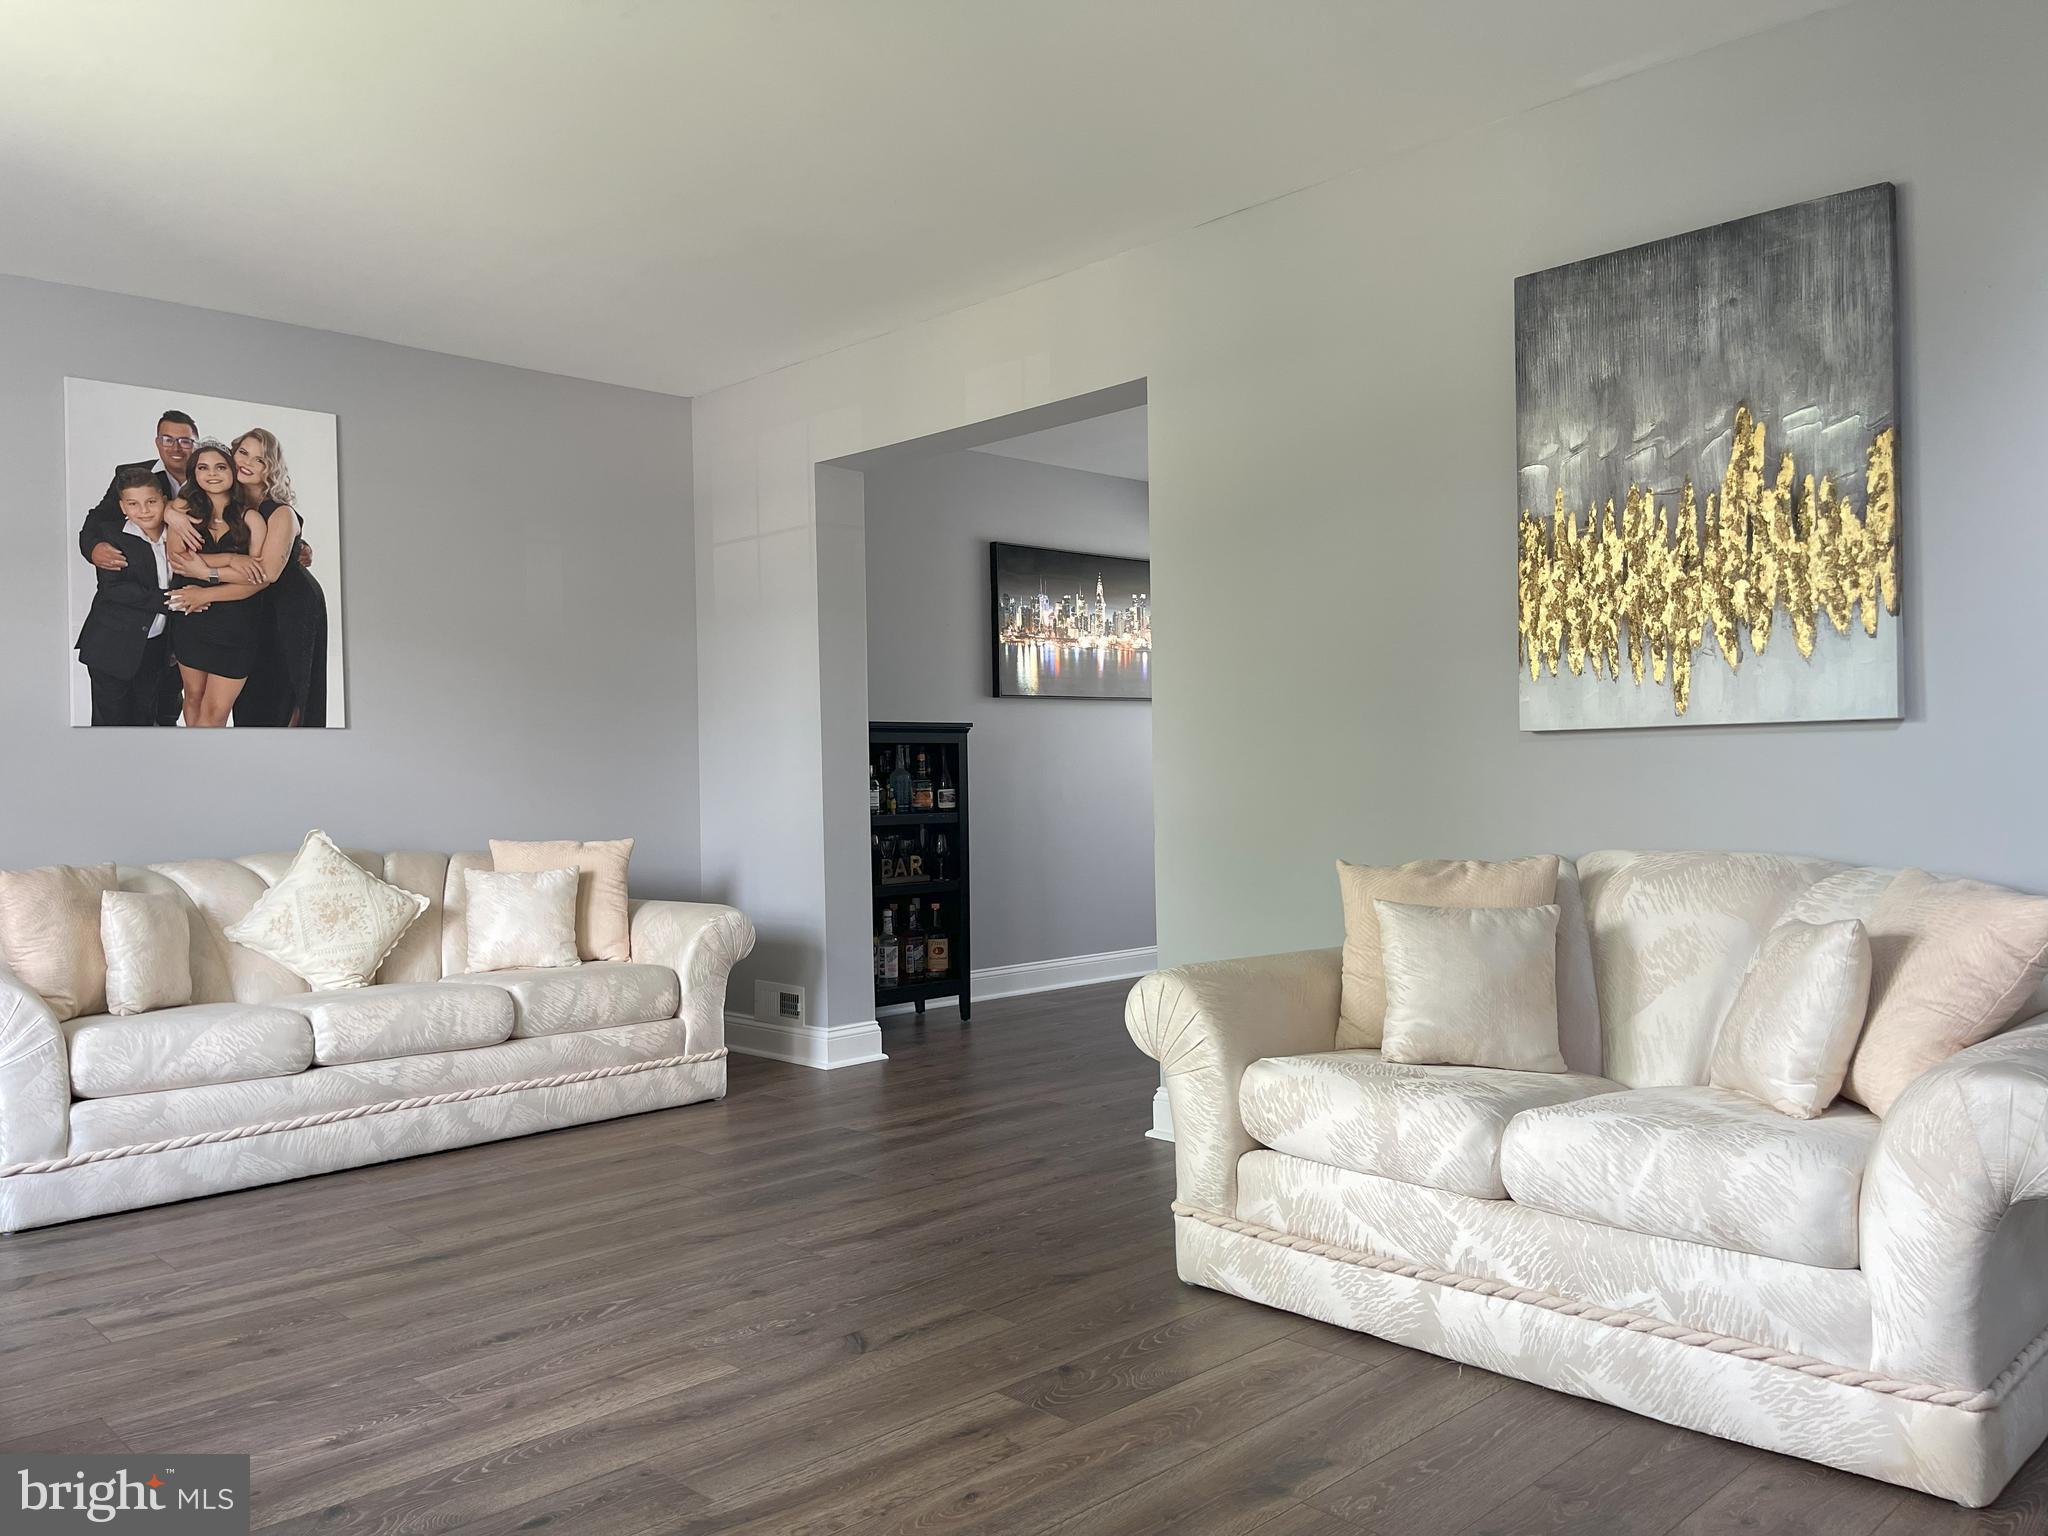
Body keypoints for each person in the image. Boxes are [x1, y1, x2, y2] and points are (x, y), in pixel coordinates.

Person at [79, 407, 199, 725]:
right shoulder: (132, 478)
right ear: (157, 442)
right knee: (113, 720)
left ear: (196, 444)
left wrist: (295, 543)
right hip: (121, 637)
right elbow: (97, 520)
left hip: (172, 635)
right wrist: (93, 548)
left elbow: (246, 515)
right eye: (167, 438)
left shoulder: (210, 477)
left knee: (161, 711)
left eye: (185, 441)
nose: (176, 447)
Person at [222, 428, 328, 728]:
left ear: (271, 468)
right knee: (252, 696)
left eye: (260, 459)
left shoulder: (279, 510)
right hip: (253, 605)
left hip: (290, 606)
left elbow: (267, 572)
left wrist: (205, 579)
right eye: (243, 452)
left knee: (284, 693)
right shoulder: (226, 503)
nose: (248, 463)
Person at [160, 441, 268, 726]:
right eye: (203, 468)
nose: (212, 474)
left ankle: (208, 765)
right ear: (194, 473)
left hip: (236, 624)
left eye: (220, 467)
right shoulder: (182, 509)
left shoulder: (252, 519)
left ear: (232, 472)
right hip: (191, 620)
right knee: (193, 698)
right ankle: (194, 764)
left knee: (215, 712)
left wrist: (204, 582)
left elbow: (255, 579)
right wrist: (231, 560)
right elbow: (177, 558)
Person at [75, 469, 177, 726]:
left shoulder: (176, 537)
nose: (144, 510)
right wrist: (174, 601)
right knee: (110, 722)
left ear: (164, 500)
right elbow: (115, 589)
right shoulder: (112, 537)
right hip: (112, 648)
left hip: (153, 648)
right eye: (133, 504)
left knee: (144, 718)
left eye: (151, 502)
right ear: (122, 506)